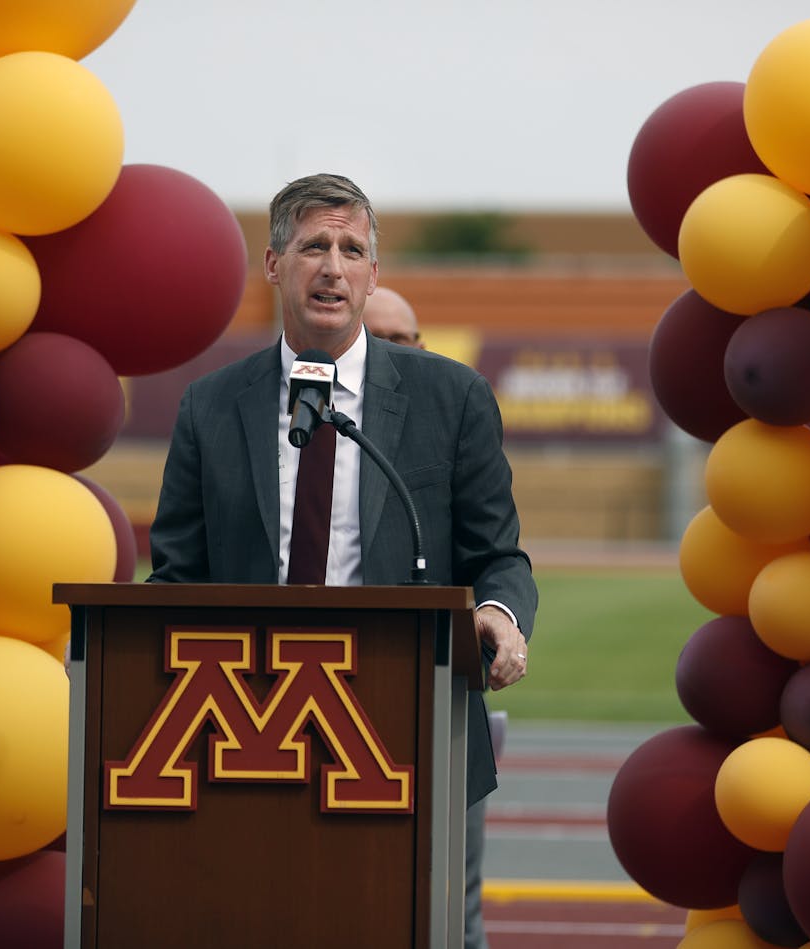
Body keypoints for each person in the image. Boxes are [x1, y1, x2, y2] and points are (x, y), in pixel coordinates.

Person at [147, 173, 536, 939]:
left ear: (373, 275)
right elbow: (176, 576)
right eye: (313, 246)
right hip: (248, 732)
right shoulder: (211, 405)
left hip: (403, 727)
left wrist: (497, 613)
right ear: (273, 264)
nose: (333, 266)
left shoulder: (450, 398)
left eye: (351, 249)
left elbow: (499, 557)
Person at [362, 283, 502, 949]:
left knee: (452, 916)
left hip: (434, 709)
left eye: (405, 339)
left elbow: (497, 552)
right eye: (378, 339)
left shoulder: (458, 411)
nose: (396, 353)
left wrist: (500, 612)